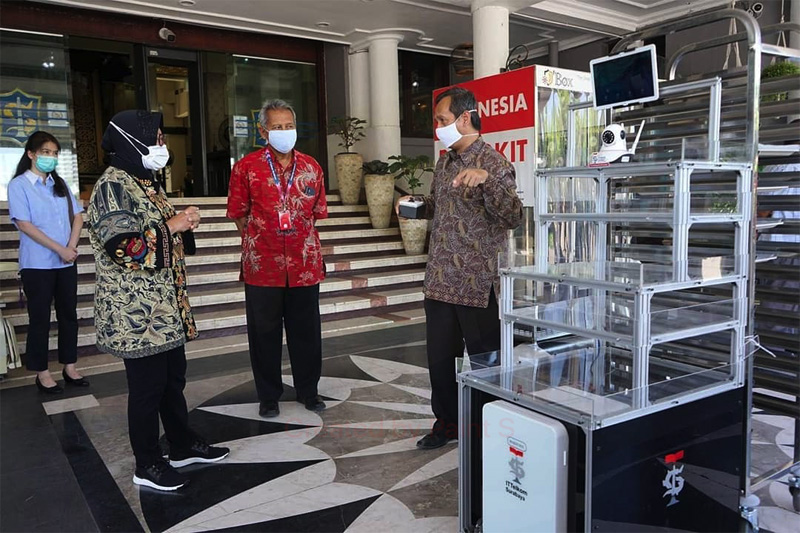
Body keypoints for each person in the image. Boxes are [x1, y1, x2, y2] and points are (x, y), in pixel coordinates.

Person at [86, 110, 228, 492]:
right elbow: (124, 247)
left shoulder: (145, 182)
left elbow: (161, 233)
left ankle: (181, 445)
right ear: (131, 141)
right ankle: (146, 463)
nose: (162, 145)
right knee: (148, 389)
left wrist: (184, 222)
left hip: (164, 309)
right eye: (157, 138)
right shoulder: (112, 186)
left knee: (172, 381)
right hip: (136, 312)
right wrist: (173, 225)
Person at [397, 87, 523, 450]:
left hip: (477, 283)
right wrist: (415, 204)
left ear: (465, 118)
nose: (438, 127)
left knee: (486, 363)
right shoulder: (445, 162)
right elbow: (440, 205)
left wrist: (487, 181)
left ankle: (489, 429)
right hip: (440, 280)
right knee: (441, 362)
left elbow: (512, 216)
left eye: (442, 119)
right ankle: (447, 424)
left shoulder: (494, 163)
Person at [227, 99, 328, 418]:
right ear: (263, 132)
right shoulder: (246, 167)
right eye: (277, 127)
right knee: (263, 335)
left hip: (304, 265)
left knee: (306, 332)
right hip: (263, 265)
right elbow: (238, 213)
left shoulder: (312, 167)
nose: (285, 132)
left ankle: (309, 390)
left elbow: (317, 212)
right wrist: (258, 239)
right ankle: (268, 395)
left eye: (289, 126)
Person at [7, 131, 88, 394]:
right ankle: (42, 372)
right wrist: (60, 249)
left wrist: (71, 247)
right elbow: (24, 224)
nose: (50, 157)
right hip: (37, 264)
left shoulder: (60, 184)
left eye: (54, 153)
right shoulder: (19, 185)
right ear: (31, 154)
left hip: (66, 262)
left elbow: (78, 216)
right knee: (40, 318)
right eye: (45, 152)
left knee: (68, 316)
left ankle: (69, 366)